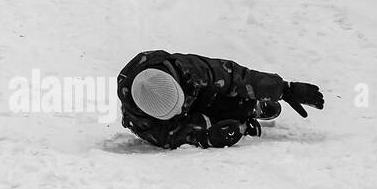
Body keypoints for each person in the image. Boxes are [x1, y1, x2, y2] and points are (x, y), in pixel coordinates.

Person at [117, 50, 324, 149]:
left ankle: (251, 106)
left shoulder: (187, 69)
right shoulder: (137, 118)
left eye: (178, 105)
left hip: (196, 94)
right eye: (171, 112)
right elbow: (168, 137)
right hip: (185, 119)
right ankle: (242, 119)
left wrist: (282, 89)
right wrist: (206, 137)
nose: (179, 110)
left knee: (224, 94)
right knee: (204, 124)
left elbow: (234, 77)